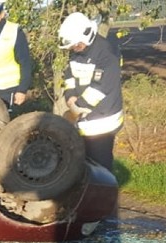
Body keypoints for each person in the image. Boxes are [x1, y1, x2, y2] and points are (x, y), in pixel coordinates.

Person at [58, 12, 124, 171]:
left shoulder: (107, 53)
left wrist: (77, 106)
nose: (74, 48)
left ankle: (105, 194)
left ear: (87, 36)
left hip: (103, 121)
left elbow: (100, 88)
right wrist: (70, 94)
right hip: (84, 118)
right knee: (85, 165)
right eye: (72, 45)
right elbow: (69, 75)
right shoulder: (77, 50)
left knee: (100, 167)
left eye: (77, 44)